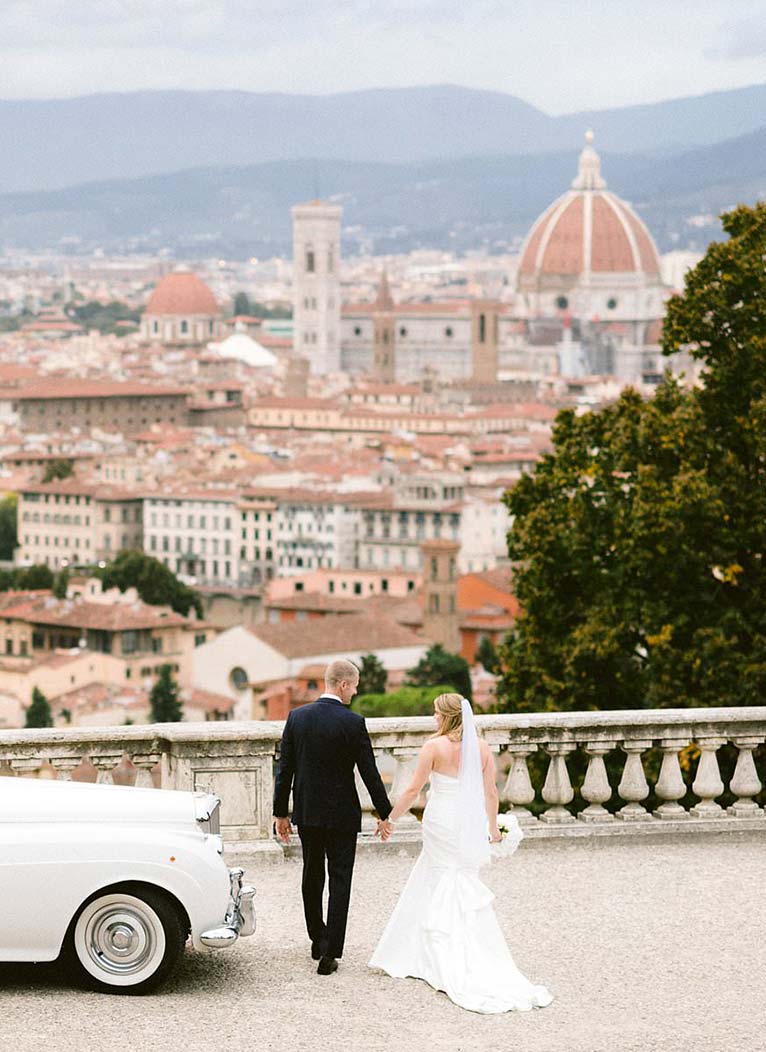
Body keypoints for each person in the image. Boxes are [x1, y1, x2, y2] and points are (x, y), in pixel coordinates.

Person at [368, 692, 553, 1013]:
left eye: (437, 713)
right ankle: (454, 945)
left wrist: (390, 820)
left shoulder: (433, 747)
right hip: (468, 822)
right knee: (458, 875)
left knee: (438, 875)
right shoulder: (480, 748)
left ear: (447, 716)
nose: (434, 718)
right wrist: (492, 827)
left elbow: (413, 790)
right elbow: (491, 792)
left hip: (440, 820)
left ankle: (428, 951)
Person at [273, 658, 392, 975]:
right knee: (340, 880)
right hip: (342, 814)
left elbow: (284, 771)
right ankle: (330, 953)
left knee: (312, 875)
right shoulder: (353, 723)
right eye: (354, 686)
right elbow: (369, 772)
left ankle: (317, 938)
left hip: (308, 811)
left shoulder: (297, 718)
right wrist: (384, 812)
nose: (355, 692)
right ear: (343, 684)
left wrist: (279, 813)